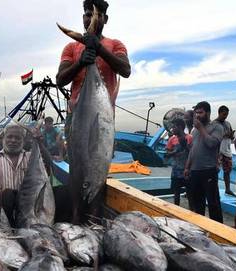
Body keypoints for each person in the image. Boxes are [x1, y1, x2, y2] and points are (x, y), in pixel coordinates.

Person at [56, 0, 130, 223]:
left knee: (100, 163)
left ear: (105, 19)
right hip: (77, 117)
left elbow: (125, 70)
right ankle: (78, 217)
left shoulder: (116, 45)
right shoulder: (71, 48)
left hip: (104, 119)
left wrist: (97, 48)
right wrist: (81, 62)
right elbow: (60, 79)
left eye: (95, 14)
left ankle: (95, 217)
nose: (89, 18)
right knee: (77, 168)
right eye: (86, 14)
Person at [184, 101, 224, 222]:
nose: (197, 115)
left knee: (213, 204)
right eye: (196, 113)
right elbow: (193, 150)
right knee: (198, 203)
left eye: (200, 112)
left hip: (209, 170)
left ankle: (218, 231)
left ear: (208, 113)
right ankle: (200, 228)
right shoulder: (195, 130)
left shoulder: (217, 127)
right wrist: (187, 167)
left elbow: (212, 143)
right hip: (195, 171)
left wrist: (201, 128)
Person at [166, 118, 193, 207]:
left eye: (174, 127)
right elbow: (167, 154)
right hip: (176, 170)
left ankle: (191, 210)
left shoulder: (189, 138)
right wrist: (174, 152)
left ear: (180, 127)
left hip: (187, 170)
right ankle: (176, 209)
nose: (172, 129)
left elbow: (192, 153)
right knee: (176, 192)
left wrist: (185, 146)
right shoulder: (171, 140)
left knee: (190, 192)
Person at [215, 105, 236, 196]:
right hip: (217, 151)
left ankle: (227, 189)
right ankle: (214, 189)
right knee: (215, 171)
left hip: (227, 151)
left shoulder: (228, 123)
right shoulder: (214, 124)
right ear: (219, 113)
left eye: (227, 114)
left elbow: (232, 137)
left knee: (227, 171)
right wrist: (224, 135)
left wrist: (231, 136)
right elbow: (212, 138)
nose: (225, 116)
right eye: (224, 114)